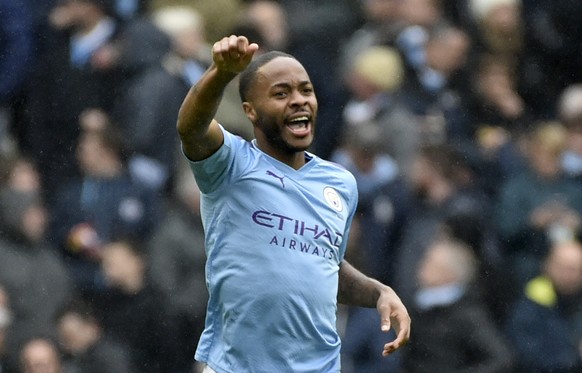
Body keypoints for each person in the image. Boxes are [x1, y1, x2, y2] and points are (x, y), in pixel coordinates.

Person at [176, 35, 411, 372]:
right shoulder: (230, 164)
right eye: (281, 93)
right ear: (250, 111)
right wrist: (220, 72)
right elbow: (191, 127)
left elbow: (325, 265)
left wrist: (378, 293)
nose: (299, 101)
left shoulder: (340, 183)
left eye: (306, 90)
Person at [505, 240, 582, 373]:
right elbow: (527, 357)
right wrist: (575, 357)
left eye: (576, 269)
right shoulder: (530, 306)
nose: (570, 275)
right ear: (547, 266)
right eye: (564, 268)